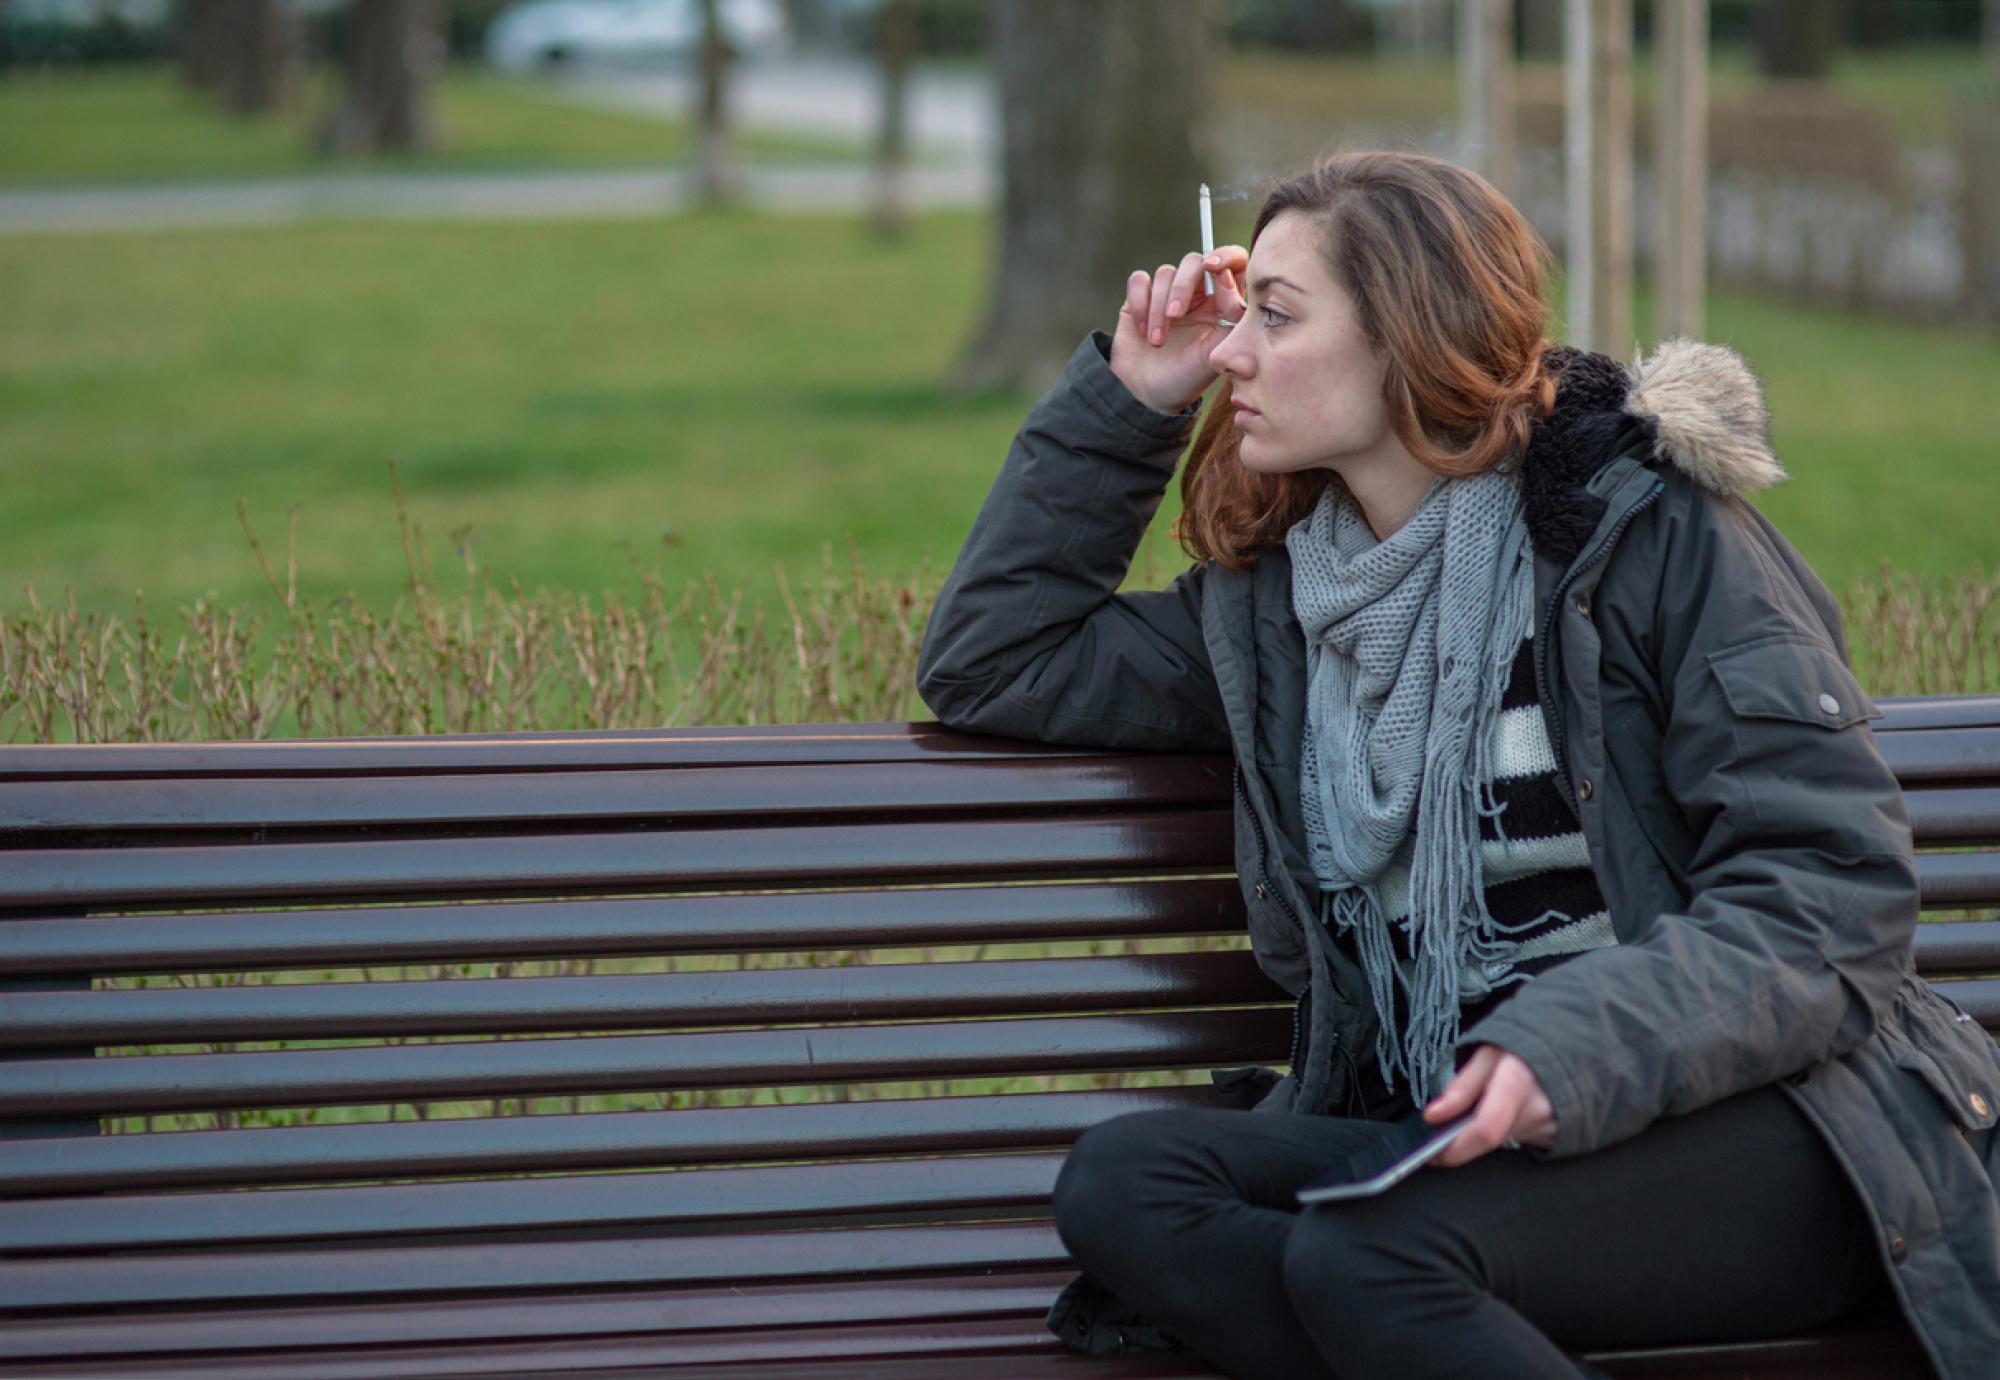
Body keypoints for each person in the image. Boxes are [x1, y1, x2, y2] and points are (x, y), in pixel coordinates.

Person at [914, 152, 2000, 1380]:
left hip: (1778, 1123)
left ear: (1405, 337)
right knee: (1127, 1189)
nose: (1230, 356)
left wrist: (1565, 1047)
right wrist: (1130, 399)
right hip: (1477, 1140)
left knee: (1365, 1262)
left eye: (1274, 317)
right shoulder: (1285, 621)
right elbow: (995, 658)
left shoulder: (1643, 538)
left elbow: (1830, 897)